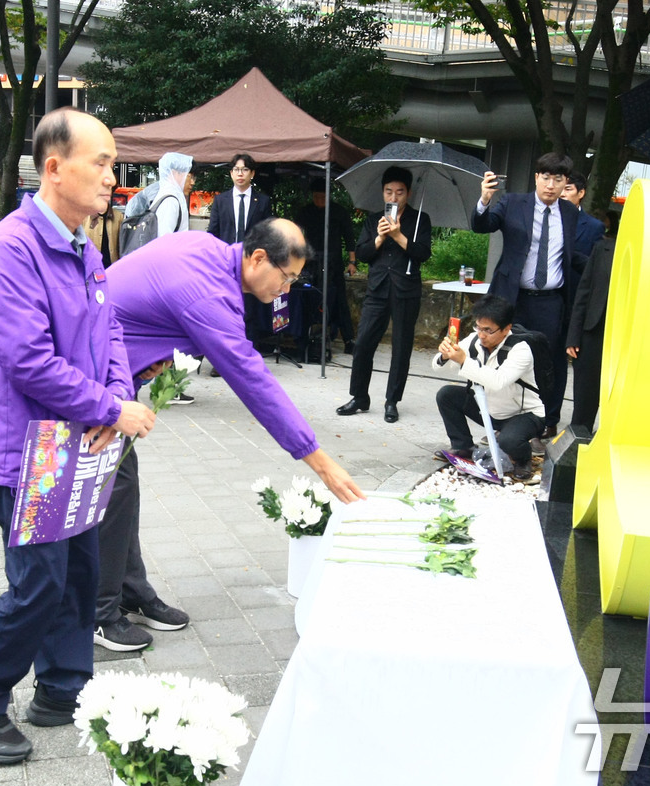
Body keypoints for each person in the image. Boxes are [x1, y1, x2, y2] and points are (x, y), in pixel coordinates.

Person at [0, 109, 156, 766]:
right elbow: (27, 361)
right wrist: (109, 410)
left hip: (82, 443)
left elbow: (110, 330)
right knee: (39, 583)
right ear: (54, 167)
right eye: (102, 162)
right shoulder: (10, 250)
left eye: (114, 163)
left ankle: (64, 687)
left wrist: (117, 401)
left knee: (81, 571)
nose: (113, 177)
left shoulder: (85, 244)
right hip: (31, 451)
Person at [99, 219, 367, 650]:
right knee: (116, 490)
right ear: (259, 258)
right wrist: (320, 461)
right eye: (287, 276)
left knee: (123, 487)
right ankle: (99, 612)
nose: (288, 288)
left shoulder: (209, 252)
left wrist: (155, 351)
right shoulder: (209, 291)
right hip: (90, 374)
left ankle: (131, 592)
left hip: (114, 363)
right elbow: (252, 380)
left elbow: (154, 304)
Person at [473, 152, 587, 443]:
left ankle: (546, 422)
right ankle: (501, 423)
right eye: (546, 177)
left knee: (548, 363)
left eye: (558, 179)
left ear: (565, 184)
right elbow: (482, 225)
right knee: (502, 357)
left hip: (550, 301)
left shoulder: (570, 213)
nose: (551, 185)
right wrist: (485, 200)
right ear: (536, 178)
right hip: (512, 299)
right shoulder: (512, 203)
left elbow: (571, 257)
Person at [336, 166, 432, 424]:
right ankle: (359, 396)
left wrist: (399, 236)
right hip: (377, 288)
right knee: (364, 342)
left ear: (408, 194)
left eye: (399, 192)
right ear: (383, 193)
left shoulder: (420, 219)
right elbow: (363, 254)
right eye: (389, 191)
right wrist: (379, 237)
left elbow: (423, 253)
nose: (393, 197)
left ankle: (392, 401)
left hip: (406, 289)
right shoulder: (372, 220)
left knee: (401, 347)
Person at [433, 294, 545, 485]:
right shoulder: (474, 340)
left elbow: (498, 381)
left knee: (508, 441)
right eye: (478, 327)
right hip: (489, 407)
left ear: (506, 329)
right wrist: (444, 355)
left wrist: (462, 360)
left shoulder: (520, 349)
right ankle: (463, 447)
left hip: (524, 414)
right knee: (447, 395)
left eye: (488, 330)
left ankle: (523, 458)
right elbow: (437, 366)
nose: (482, 335)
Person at [294, 189, 358, 357]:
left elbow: (349, 237)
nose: (319, 200)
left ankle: (348, 340)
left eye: (322, 196)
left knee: (339, 300)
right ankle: (303, 338)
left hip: (333, 263)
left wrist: (352, 261)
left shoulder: (338, 211)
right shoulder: (306, 212)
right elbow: (296, 235)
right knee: (308, 298)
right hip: (310, 262)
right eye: (316, 196)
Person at [565, 235, 616, 430]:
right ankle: (578, 437)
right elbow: (584, 292)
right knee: (585, 392)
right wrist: (573, 335)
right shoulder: (602, 248)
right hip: (595, 330)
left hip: (629, 333)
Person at [207, 154, 272, 244]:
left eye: (245, 170)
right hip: (226, 254)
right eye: (236, 169)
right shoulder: (220, 201)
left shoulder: (263, 201)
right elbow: (213, 233)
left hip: (252, 254)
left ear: (252, 173)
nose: (240, 174)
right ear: (231, 173)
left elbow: (267, 233)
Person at [561, 172, 605, 259]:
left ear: (581, 193)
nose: (562, 194)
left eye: (568, 189)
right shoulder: (545, 218)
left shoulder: (594, 227)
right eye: (559, 189)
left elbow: (594, 264)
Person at [151, 151, 192, 239]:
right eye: (189, 176)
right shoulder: (170, 200)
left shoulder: (170, 195)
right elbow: (164, 239)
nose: (192, 182)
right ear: (175, 173)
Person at [83, 198, 124, 269]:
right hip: (90, 267)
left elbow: (122, 245)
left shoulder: (119, 216)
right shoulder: (85, 216)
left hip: (112, 267)